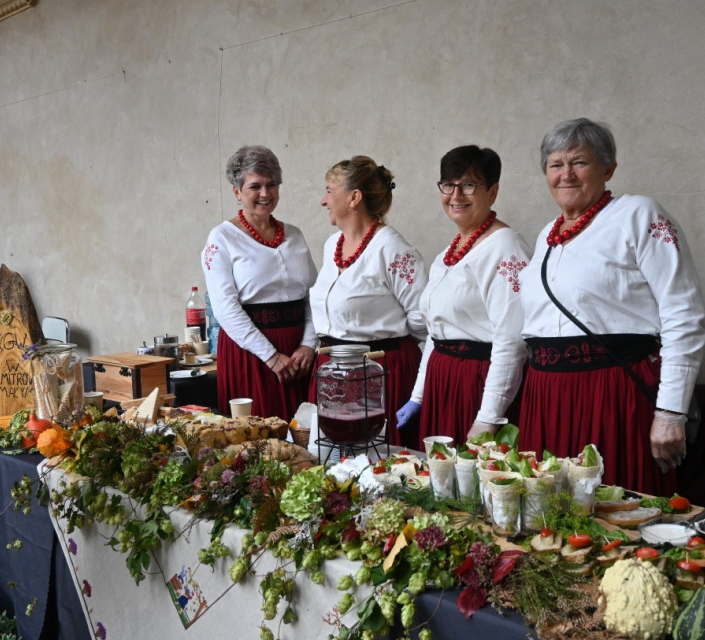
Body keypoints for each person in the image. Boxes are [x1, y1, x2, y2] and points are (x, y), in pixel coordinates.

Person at [516, 118, 705, 496]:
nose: (566, 174)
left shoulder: (639, 215)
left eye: (579, 162)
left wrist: (670, 413)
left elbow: (683, 314)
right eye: (556, 164)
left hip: (610, 394)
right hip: (547, 394)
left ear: (608, 168)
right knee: (547, 513)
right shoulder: (547, 235)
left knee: (617, 510)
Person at [396, 146, 531, 445]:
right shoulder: (447, 254)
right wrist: (419, 396)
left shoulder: (505, 246)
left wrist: (489, 416)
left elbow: (512, 339)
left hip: (478, 384)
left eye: (469, 184)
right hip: (443, 382)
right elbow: (435, 334)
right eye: (448, 184)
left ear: (492, 192)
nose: (456, 195)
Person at [309, 156, 427, 450]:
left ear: (354, 198)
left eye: (329, 190)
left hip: (379, 371)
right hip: (332, 368)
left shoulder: (392, 248)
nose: (323, 200)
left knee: (378, 464)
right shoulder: (331, 245)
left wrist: (388, 341)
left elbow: (423, 318)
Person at [201, 145, 317, 420]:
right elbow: (225, 308)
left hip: (299, 353)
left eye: (271, 185)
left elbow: (315, 296)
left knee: (306, 436)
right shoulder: (221, 239)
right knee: (259, 443)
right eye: (255, 186)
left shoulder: (295, 235)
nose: (265, 194)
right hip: (251, 352)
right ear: (237, 192)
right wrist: (271, 356)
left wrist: (308, 344)